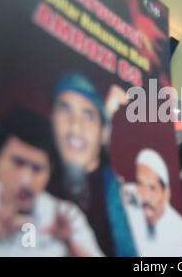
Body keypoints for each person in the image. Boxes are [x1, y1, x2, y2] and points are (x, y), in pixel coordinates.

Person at [0, 106, 102, 257]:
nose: (26, 180)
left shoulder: (66, 216)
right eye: (18, 163)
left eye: (37, 169)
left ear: (49, 172)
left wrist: (69, 242)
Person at [50, 71, 136, 256]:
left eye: (88, 115)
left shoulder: (121, 198)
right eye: (65, 110)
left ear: (104, 132)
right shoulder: (38, 180)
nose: (75, 126)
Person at [122, 148, 182, 257]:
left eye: (152, 188)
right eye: (140, 184)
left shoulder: (179, 231)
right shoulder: (126, 196)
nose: (145, 196)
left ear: (166, 194)